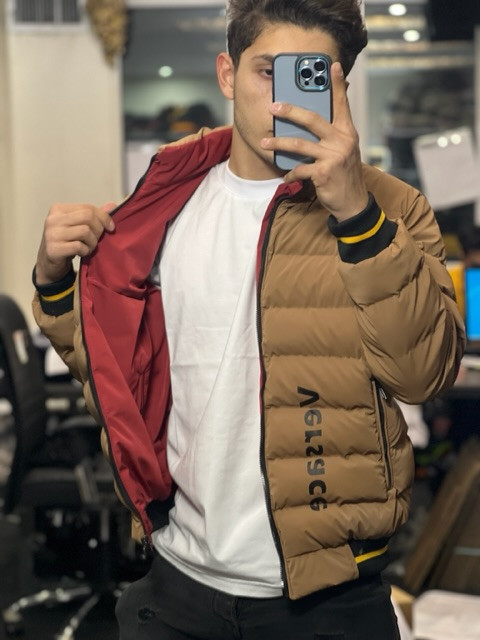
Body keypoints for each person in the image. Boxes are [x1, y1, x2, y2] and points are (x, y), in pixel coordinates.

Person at [32, 1, 465, 638]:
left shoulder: (392, 208)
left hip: (328, 600)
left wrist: (358, 217)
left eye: (310, 76)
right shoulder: (163, 206)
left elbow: (423, 374)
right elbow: (120, 369)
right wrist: (52, 282)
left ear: (341, 85)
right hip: (175, 585)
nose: (284, 100)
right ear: (227, 74)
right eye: (268, 72)